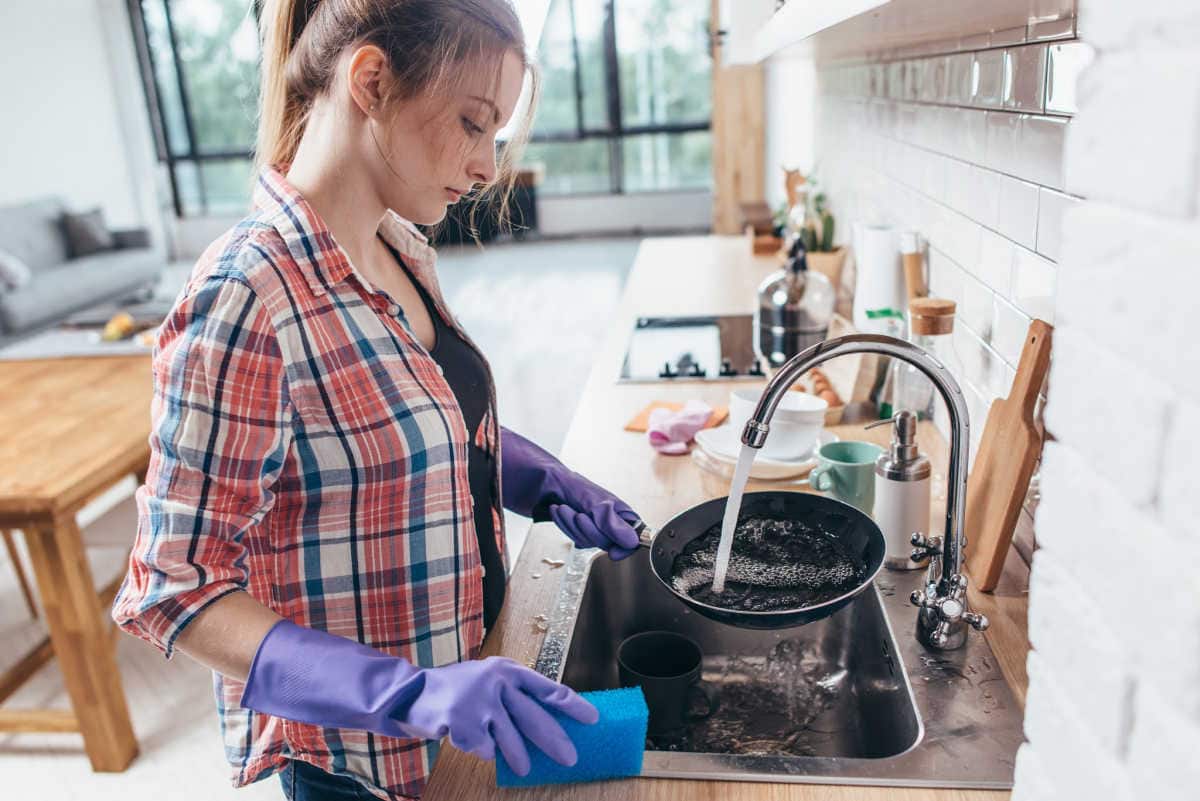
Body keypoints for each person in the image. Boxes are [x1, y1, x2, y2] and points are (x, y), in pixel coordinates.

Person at [110, 2, 641, 799]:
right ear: (370, 81)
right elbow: (174, 586)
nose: (489, 166)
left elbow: (419, 428)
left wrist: (545, 478)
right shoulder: (248, 294)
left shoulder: (399, 246)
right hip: (361, 767)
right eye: (474, 123)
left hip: (463, 719)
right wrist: (412, 694)